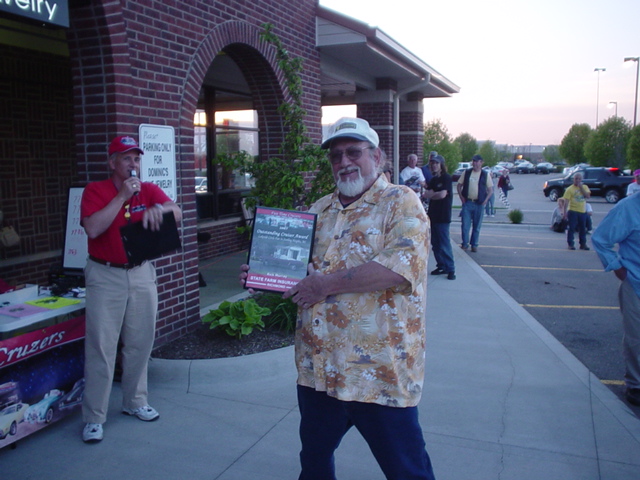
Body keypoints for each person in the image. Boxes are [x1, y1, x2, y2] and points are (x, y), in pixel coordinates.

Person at [241, 117, 435, 480]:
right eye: (336, 155)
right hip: (320, 372)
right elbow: (299, 273)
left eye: (353, 152)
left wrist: (324, 285)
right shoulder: (318, 210)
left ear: (376, 156)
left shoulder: (401, 202)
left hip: (378, 375)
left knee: (408, 470)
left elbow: (398, 268)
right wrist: (263, 276)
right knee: (314, 464)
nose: (343, 161)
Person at [80, 135, 182, 443]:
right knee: (102, 347)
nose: (133, 164)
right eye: (126, 158)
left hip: (140, 273)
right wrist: (121, 197)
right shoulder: (95, 190)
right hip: (104, 275)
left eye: (136, 158)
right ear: (112, 163)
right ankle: (94, 417)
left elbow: (176, 211)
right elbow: (94, 227)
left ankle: (135, 401)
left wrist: (160, 211)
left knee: (140, 341)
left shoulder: (148, 189)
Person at [592, 193, 640, 406]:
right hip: (636, 283)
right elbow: (601, 239)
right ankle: (636, 384)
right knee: (636, 338)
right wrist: (619, 269)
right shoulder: (628, 208)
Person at [423, 154, 455, 280]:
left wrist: (432, 195)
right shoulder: (433, 180)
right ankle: (441, 265)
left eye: (436, 163)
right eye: (432, 163)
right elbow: (426, 193)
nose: (434, 165)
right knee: (435, 244)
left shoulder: (446, 178)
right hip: (433, 215)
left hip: (443, 216)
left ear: (441, 165)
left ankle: (451, 269)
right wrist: (432, 194)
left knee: (444, 243)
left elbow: (442, 195)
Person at [457, 154, 493, 252]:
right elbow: (459, 185)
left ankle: (474, 244)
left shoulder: (485, 175)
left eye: (477, 162)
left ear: (481, 163)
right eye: (474, 161)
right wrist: (461, 197)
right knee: (465, 225)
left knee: (477, 226)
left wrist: (485, 201)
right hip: (468, 202)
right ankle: (465, 243)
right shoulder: (467, 173)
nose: (475, 164)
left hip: (479, 204)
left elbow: (490, 190)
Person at [562, 172, 591, 250]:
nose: (577, 180)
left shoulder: (585, 187)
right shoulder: (569, 189)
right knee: (572, 228)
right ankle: (570, 244)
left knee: (582, 229)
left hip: (582, 211)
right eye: (576, 179)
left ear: (581, 180)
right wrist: (564, 212)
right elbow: (566, 201)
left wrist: (581, 187)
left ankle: (583, 244)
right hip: (573, 210)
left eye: (579, 179)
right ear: (573, 179)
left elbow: (587, 196)